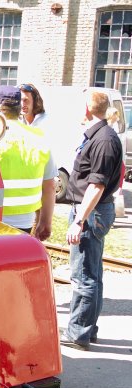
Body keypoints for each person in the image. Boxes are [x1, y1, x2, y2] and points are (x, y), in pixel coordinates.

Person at [60, 89, 123, 350]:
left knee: (84, 276)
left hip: (91, 212)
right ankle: (87, 328)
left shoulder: (104, 140)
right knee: (92, 274)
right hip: (93, 211)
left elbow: (96, 186)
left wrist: (79, 220)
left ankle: (78, 333)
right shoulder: (100, 136)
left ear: (87, 109)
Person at [0, 86, 56, 240]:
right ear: (19, 108)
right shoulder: (39, 138)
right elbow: (50, 186)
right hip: (24, 220)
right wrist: (45, 221)